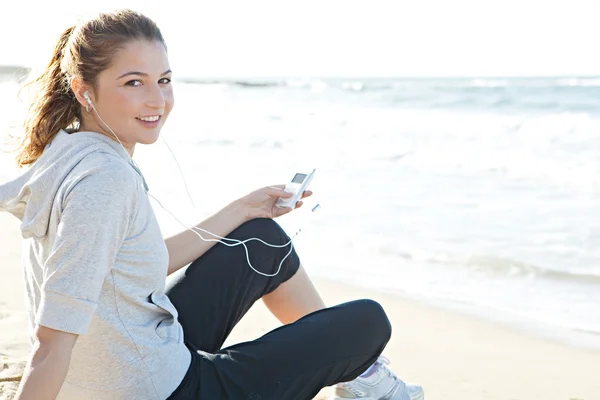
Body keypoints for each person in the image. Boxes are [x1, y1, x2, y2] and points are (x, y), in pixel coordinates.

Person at [0, 9, 424, 400]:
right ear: (83, 90)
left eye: (163, 80)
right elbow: (52, 339)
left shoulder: (69, 152)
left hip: (135, 357)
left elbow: (133, 263)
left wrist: (243, 208)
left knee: (261, 239)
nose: (157, 100)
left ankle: (362, 379)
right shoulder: (105, 182)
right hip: (158, 390)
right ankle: (366, 377)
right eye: (133, 82)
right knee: (368, 322)